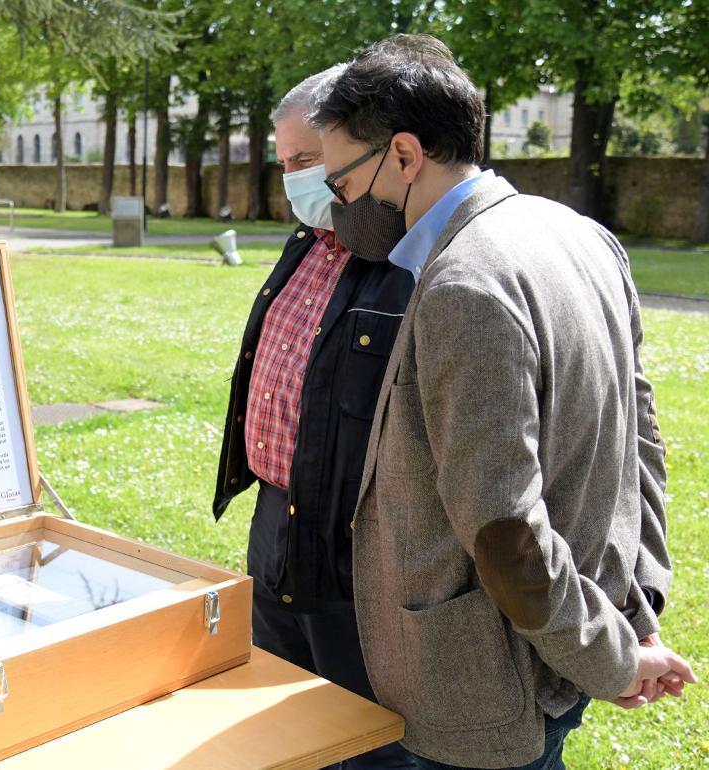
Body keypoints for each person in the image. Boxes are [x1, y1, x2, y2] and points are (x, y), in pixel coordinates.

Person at [309, 34, 694, 769]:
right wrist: (634, 612)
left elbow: (505, 528)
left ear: (402, 154)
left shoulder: (465, 283)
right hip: (561, 643)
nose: (340, 208)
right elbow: (642, 438)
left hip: (490, 682)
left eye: (341, 184)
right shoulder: (581, 234)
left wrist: (611, 655)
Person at [213, 67, 414, 769]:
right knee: (280, 718)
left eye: (307, 160)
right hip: (276, 518)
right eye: (286, 161)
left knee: (359, 733)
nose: (296, 178)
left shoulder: (409, 257)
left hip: (353, 541)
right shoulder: (309, 238)